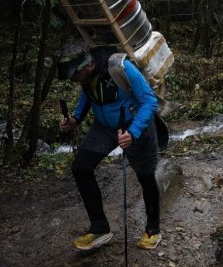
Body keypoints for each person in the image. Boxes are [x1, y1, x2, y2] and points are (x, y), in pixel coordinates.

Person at [57, 42, 162, 251]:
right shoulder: (85, 76)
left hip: (134, 124)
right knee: (81, 168)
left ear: (87, 66)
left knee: (146, 176)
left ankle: (153, 229)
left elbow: (149, 101)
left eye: (74, 76)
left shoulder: (120, 68)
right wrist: (76, 119)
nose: (73, 81)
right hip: (104, 127)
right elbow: (88, 94)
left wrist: (133, 132)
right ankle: (99, 228)